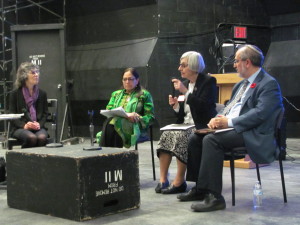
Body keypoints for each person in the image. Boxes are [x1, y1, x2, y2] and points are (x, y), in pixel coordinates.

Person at [177, 44, 283, 212]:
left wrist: (229, 123)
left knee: (211, 140)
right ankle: (201, 188)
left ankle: (215, 197)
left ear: (247, 62)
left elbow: (261, 114)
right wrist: (217, 119)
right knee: (196, 137)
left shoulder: (268, 84)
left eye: (236, 61)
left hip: (253, 132)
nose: (234, 64)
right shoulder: (240, 85)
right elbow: (229, 109)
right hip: (234, 129)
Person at [155, 51, 217, 194]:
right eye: (180, 65)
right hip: (185, 123)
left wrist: (186, 93)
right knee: (165, 135)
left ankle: (179, 181)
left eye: (183, 65)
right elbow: (183, 113)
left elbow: (204, 106)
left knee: (182, 136)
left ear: (194, 66)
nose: (179, 68)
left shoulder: (208, 82)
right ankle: (163, 179)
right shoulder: (185, 84)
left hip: (201, 124)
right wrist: (176, 106)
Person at [97, 67, 155, 148]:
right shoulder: (116, 94)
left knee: (111, 124)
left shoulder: (144, 95)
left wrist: (138, 117)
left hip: (135, 126)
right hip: (114, 123)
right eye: (125, 79)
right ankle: (114, 156)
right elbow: (109, 109)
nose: (127, 82)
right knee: (112, 121)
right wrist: (127, 115)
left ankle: (109, 156)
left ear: (137, 80)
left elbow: (150, 117)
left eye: (130, 79)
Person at [9, 62, 49, 148]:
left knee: (41, 137)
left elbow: (45, 114)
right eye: (33, 73)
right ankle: (25, 159)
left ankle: (38, 160)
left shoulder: (42, 94)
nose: (36, 75)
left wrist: (39, 124)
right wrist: (24, 125)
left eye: (37, 72)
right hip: (20, 127)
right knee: (31, 138)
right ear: (24, 76)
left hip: (37, 127)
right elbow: (11, 115)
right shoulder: (15, 94)